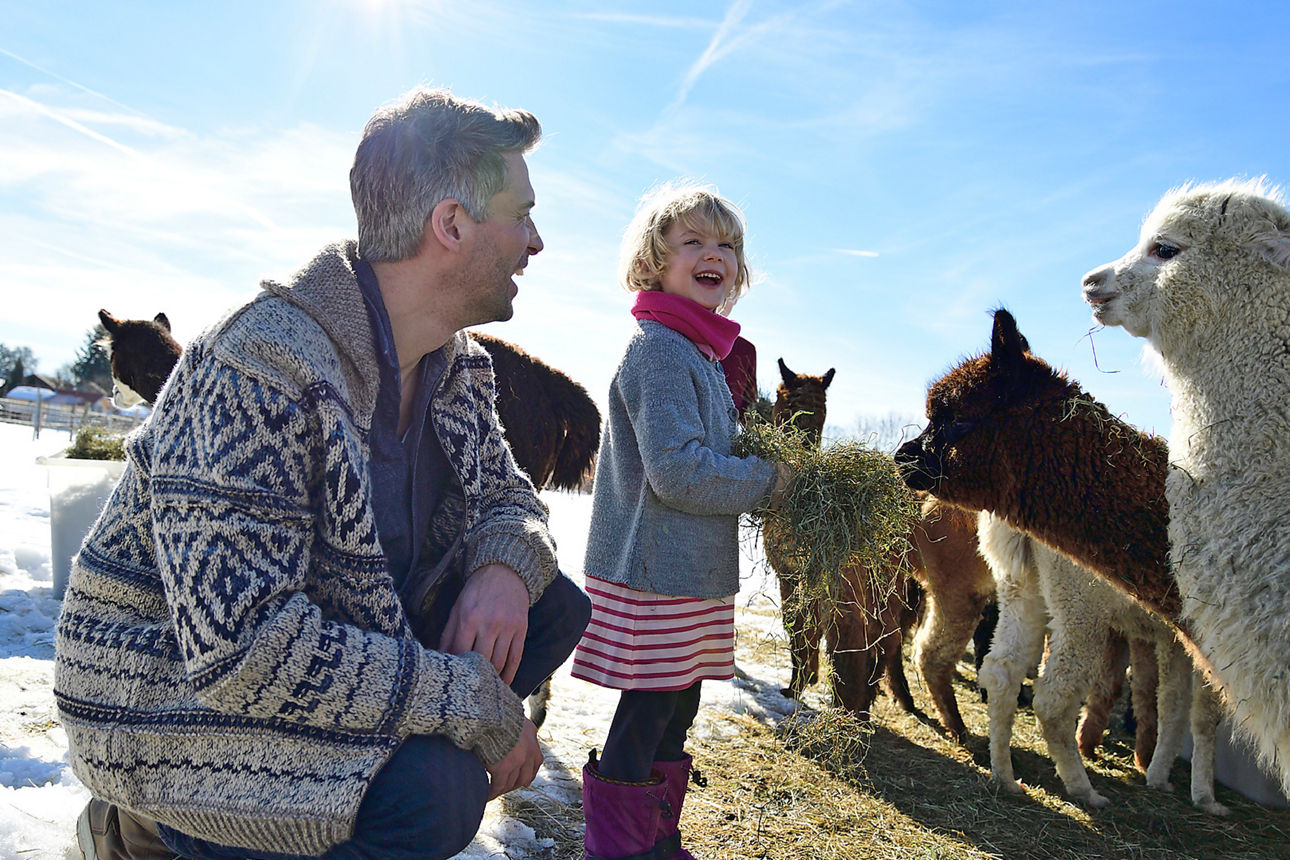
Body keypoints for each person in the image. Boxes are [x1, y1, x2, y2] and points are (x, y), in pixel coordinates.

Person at [55, 87, 591, 860]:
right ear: (451, 225)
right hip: (171, 700)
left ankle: (327, 814)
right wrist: (467, 702)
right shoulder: (259, 362)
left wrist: (505, 568)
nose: (534, 241)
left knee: (552, 607)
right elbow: (244, 650)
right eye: (523, 213)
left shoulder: (454, 363)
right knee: (433, 797)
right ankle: (144, 825)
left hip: (330, 652)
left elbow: (511, 497)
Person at [570, 183, 790, 860]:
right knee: (650, 706)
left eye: (725, 244)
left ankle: (654, 834)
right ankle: (619, 847)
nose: (713, 254)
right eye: (692, 241)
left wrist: (759, 451)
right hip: (653, 569)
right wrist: (772, 481)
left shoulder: (698, 352)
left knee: (678, 704)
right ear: (653, 262)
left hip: (686, 570)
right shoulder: (660, 349)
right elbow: (679, 470)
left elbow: (707, 452)